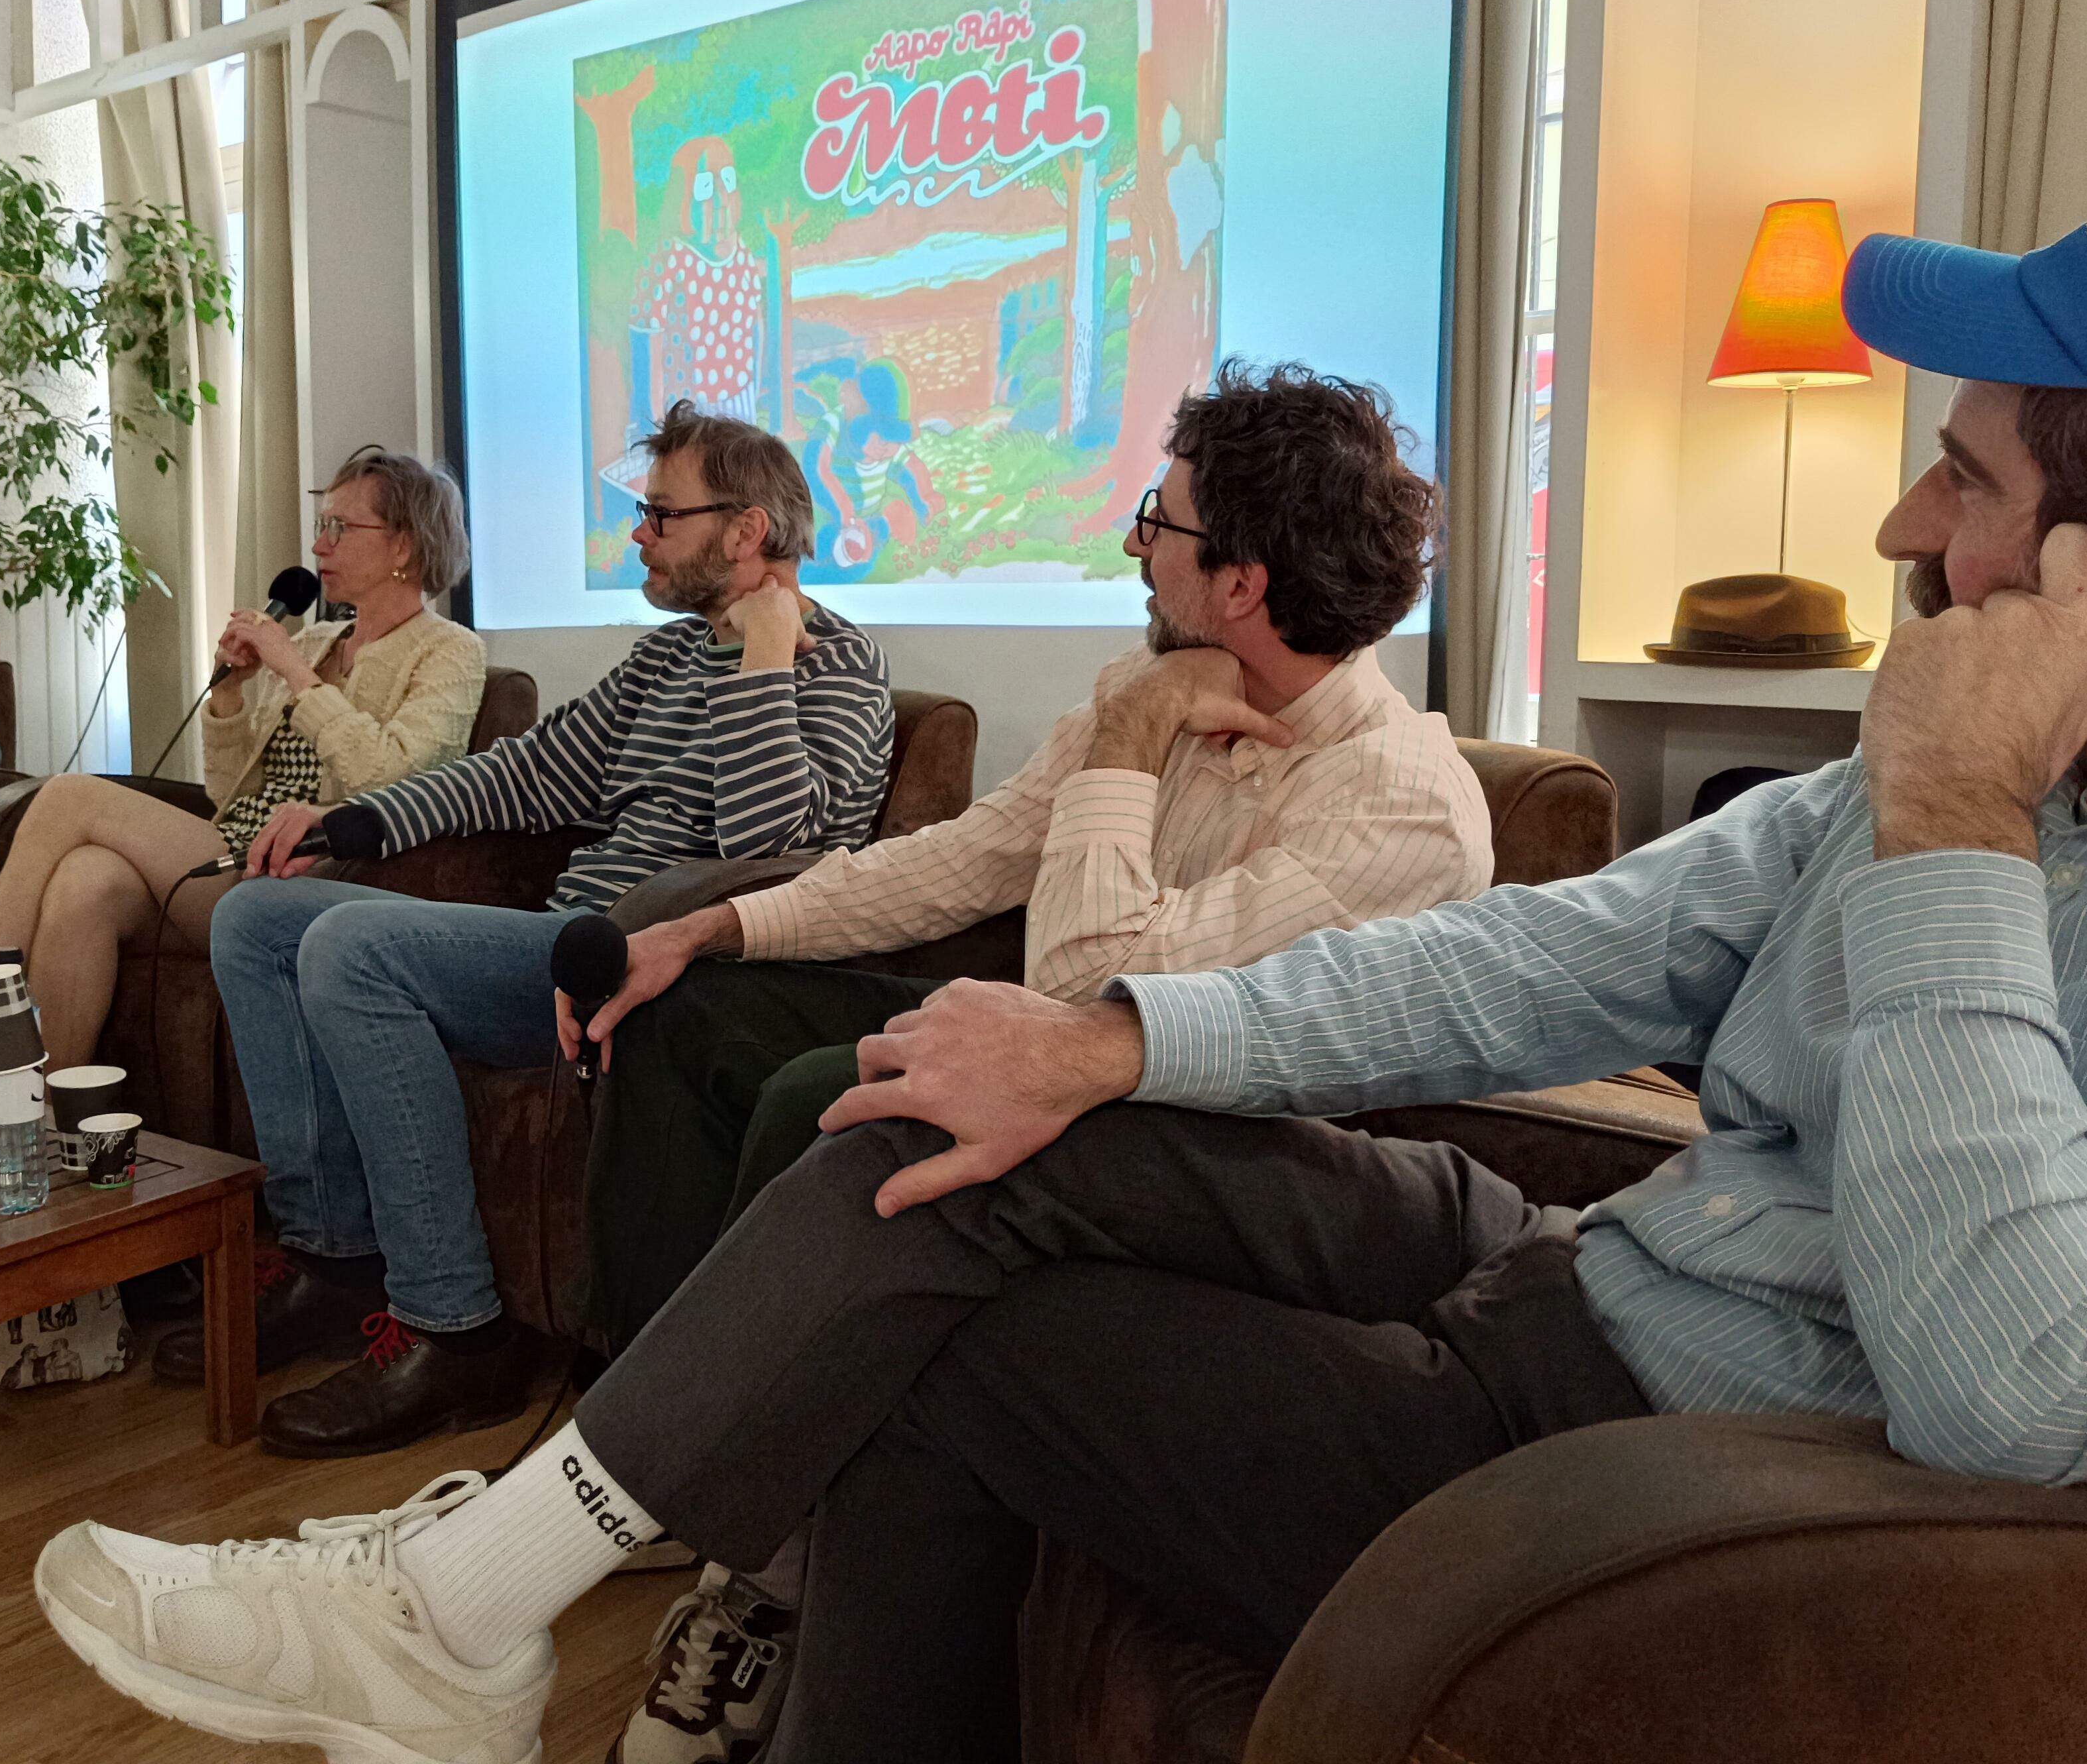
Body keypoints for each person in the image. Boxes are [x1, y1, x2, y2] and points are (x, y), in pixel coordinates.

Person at [35, 190, 2087, 1764]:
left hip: (1675, 1444)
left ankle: (499, 1602)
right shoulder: (1863, 801)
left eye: (1967, 476)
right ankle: (482, 1598)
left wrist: (1958, 826)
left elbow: (2014, 1383)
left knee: (917, 1251)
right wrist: (1100, 1041)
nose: (1905, 524)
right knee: (946, 1105)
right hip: (1557, 1258)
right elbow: (1515, 965)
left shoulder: (1899, 799)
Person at [568, 359, 1491, 1758]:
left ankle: (763, 1570)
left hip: (1216, 1166)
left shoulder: (1400, 808)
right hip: (1078, 1082)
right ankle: (661, 1446)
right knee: (695, 1009)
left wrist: (1128, 739)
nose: (1132, 544)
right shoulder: (1159, 689)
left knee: (842, 1091)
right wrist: (716, 926)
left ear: (1241, 583)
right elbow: (961, 860)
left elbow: (1082, 996)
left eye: (1158, 522)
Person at [163, 402, 896, 1451]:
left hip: (659, 970)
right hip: (564, 941)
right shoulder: (664, 661)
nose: (638, 535)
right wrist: (352, 822)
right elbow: (525, 774)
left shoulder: (839, 668)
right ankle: (334, 1260)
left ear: (747, 532)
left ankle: (456, 1331)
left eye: (661, 516)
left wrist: (765, 659)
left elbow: (771, 847)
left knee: (351, 949)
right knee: (257, 918)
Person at [0, 449, 485, 1068]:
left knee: (66, 796)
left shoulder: (450, 653)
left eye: (340, 528)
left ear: (403, 545)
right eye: (321, 525)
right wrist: (230, 694)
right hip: (233, 851)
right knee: (85, 880)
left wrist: (294, 673)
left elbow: (396, 779)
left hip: (314, 876)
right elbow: (230, 794)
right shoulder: (317, 641)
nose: (319, 546)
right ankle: (42, 1110)